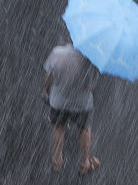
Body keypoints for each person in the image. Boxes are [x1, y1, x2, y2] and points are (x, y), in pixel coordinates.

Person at [43, 43, 100, 174]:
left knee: (59, 127)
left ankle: (57, 160)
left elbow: (49, 77)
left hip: (59, 100)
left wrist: (46, 90)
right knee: (84, 129)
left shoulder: (57, 53)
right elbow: (92, 87)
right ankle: (84, 163)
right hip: (82, 103)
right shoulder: (91, 60)